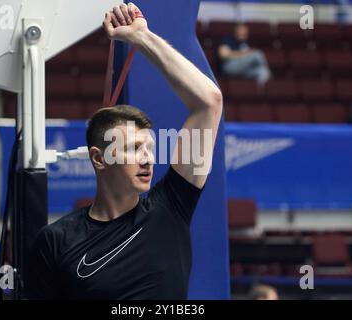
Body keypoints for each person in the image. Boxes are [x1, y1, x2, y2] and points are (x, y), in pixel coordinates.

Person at [24, 3, 222, 299]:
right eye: (132, 148)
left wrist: (142, 37)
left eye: (150, 148)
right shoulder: (56, 241)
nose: (148, 158)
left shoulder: (171, 207)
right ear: (98, 158)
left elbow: (209, 101)